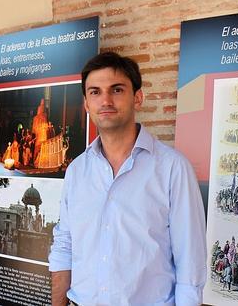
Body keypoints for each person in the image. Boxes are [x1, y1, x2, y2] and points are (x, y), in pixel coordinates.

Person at [48, 52, 207, 305]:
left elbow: (190, 263)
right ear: (86, 104)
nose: (106, 100)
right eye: (95, 92)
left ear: (138, 97)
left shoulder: (172, 169)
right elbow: (64, 245)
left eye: (117, 89)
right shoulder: (76, 170)